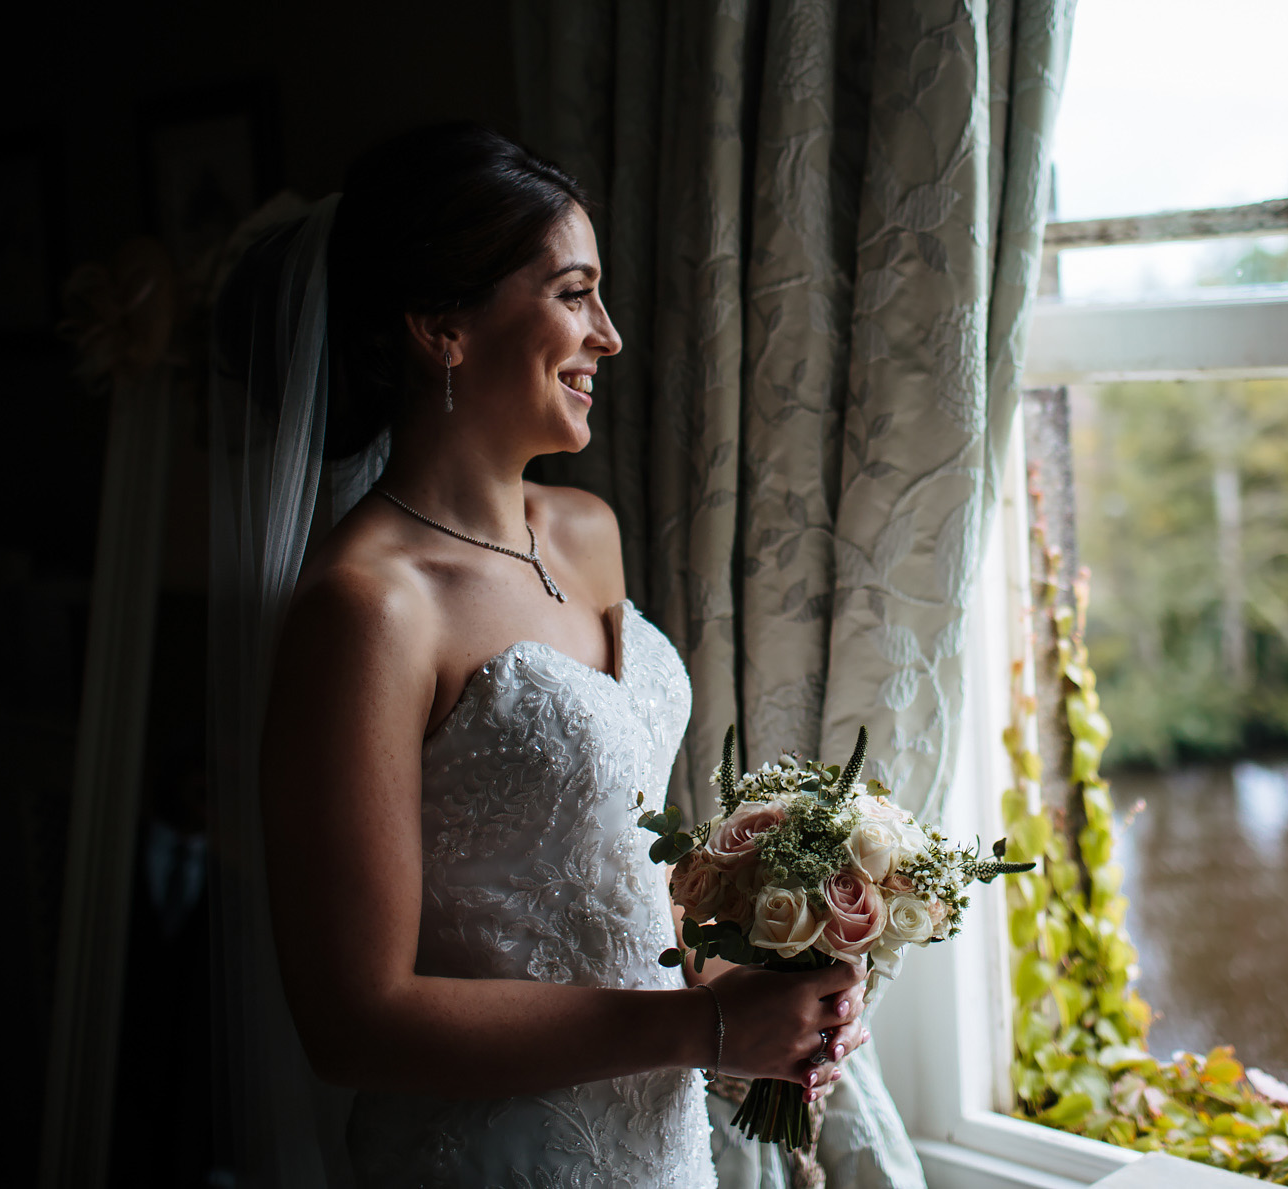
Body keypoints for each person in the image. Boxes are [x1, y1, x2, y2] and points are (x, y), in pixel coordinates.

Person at [224, 124, 864, 1187]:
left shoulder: (585, 530)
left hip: (657, 1143)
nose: (608, 335)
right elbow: (354, 1022)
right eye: (573, 294)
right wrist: (700, 1029)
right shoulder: (366, 608)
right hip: (492, 1156)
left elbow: (610, 876)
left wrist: (761, 1006)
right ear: (441, 327)